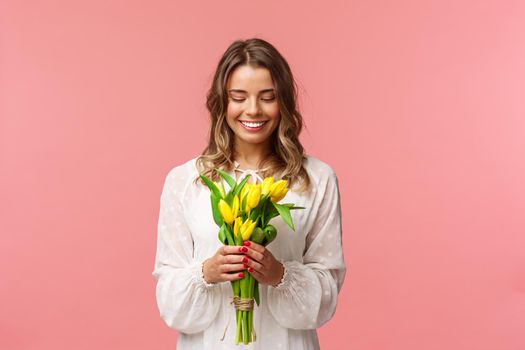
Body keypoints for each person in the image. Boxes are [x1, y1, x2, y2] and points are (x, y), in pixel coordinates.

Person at [152, 38, 346, 350]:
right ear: (221, 102)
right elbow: (168, 300)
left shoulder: (316, 179)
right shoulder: (186, 181)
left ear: (283, 101)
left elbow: (327, 293)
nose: (253, 110)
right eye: (238, 97)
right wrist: (207, 272)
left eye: (267, 97)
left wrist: (279, 274)